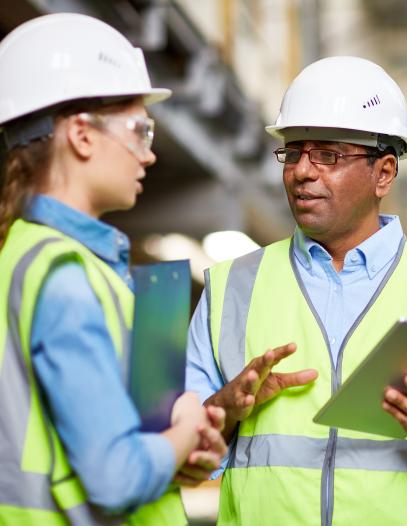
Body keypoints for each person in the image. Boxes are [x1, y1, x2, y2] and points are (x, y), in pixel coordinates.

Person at [0, 13, 227, 526]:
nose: (148, 155)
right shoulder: (64, 277)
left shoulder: (27, 256)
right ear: (81, 135)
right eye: (140, 130)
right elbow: (116, 478)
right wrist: (187, 428)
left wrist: (177, 457)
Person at [186, 55, 407, 526]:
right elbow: (179, 456)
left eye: (328, 155)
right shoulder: (231, 286)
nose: (302, 171)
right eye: (294, 152)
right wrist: (223, 409)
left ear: (384, 173)